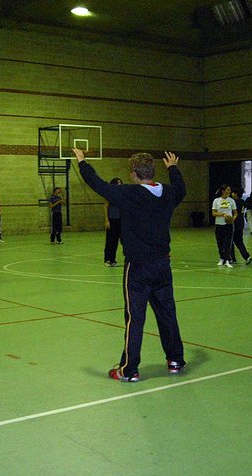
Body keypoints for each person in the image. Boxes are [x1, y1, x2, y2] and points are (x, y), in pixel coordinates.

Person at [73, 147, 186, 383]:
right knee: (167, 313)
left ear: (134, 173)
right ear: (153, 171)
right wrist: (173, 168)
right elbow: (181, 189)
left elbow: (98, 184)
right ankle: (175, 359)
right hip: (162, 266)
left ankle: (129, 369)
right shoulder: (167, 192)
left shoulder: (130, 194)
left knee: (135, 318)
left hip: (138, 269)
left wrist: (82, 162)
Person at [212, 184, 237, 268]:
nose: (229, 192)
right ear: (223, 191)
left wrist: (232, 219)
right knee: (220, 243)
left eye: (230, 190)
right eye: (228, 190)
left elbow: (235, 213)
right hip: (219, 224)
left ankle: (227, 260)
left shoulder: (232, 201)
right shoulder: (216, 201)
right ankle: (221, 258)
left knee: (227, 243)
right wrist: (222, 214)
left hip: (228, 225)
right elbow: (214, 213)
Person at [103, 177, 123, 266]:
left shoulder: (123, 195)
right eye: (118, 183)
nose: (120, 184)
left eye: (120, 183)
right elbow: (105, 207)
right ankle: (107, 259)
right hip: (112, 219)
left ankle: (113, 260)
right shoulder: (110, 194)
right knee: (110, 240)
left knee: (118, 241)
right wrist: (106, 220)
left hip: (121, 220)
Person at [230, 188, 252, 265]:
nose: (231, 194)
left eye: (233, 192)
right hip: (241, 223)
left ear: (236, 194)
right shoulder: (242, 201)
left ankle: (232, 259)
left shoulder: (234, 202)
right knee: (239, 241)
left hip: (235, 223)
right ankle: (247, 256)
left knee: (230, 241)